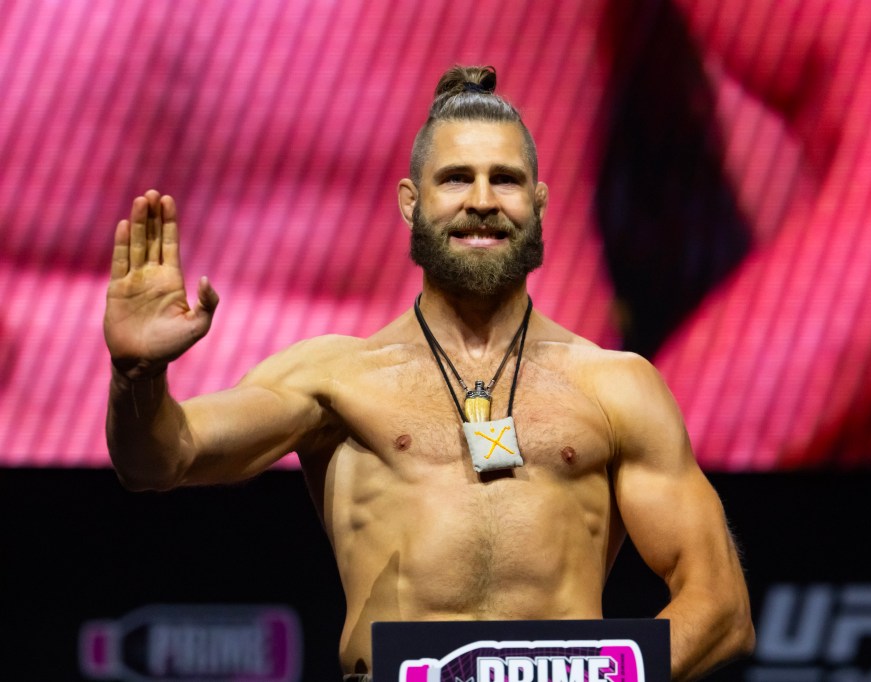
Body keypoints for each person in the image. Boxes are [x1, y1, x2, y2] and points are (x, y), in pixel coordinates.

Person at [103, 65, 755, 680]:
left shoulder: (615, 386)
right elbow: (163, 458)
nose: (481, 201)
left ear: (541, 202)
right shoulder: (333, 379)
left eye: (505, 179)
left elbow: (720, 606)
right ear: (410, 202)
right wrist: (137, 375)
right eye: (455, 179)